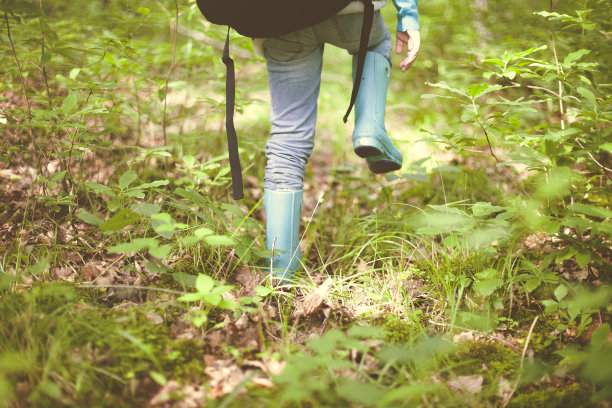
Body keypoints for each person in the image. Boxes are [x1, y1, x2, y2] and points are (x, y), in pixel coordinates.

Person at [260, 0, 420, 283]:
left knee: (287, 139)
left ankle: (280, 268)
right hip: (350, 11)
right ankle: (370, 127)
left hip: (279, 20)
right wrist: (408, 14)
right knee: (376, 43)